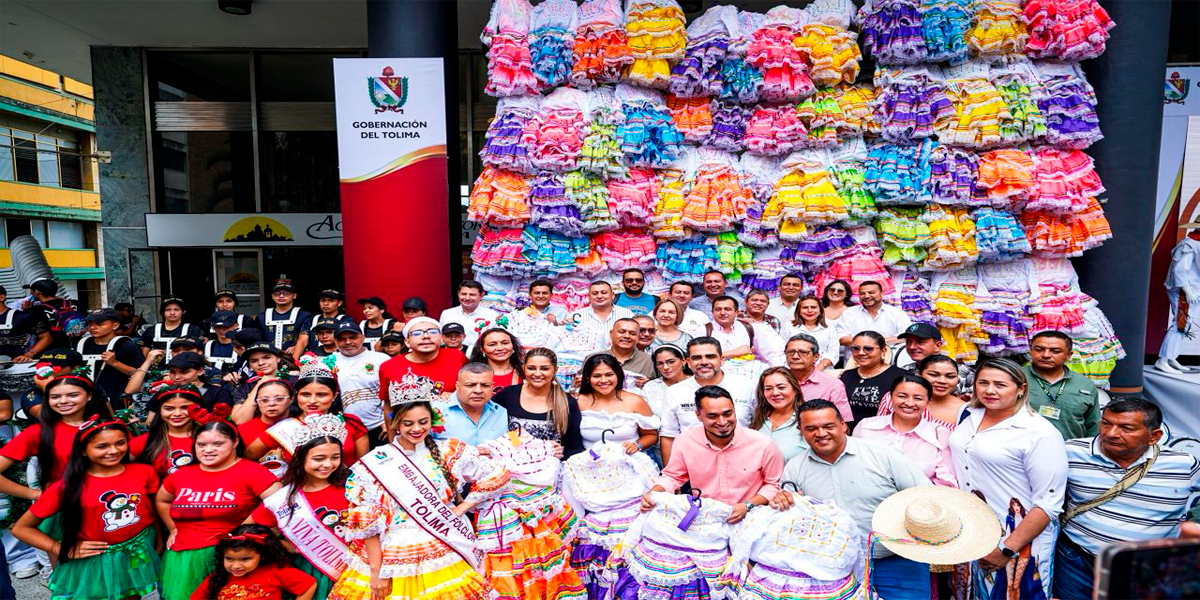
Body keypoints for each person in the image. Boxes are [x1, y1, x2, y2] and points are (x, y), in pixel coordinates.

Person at [326, 380, 509, 600]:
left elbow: (498, 474)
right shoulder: (376, 461)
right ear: (395, 424)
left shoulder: (449, 451)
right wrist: (377, 572)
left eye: (423, 422)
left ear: (433, 420)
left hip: (445, 542)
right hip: (392, 549)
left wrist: (461, 509)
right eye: (408, 423)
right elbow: (367, 522)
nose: (416, 429)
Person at [773, 399, 932, 600]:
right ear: (801, 431)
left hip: (897, 561)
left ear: (843, 425)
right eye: (811, 428)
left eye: (828, 426)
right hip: (833, 569)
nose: (821, 434)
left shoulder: (883, 456)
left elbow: (925, 496)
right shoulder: (795, 468)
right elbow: (791, 514)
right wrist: (783, 501)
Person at [1054, 398, 1200, 600]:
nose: (1111, 433)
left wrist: (1195, 520)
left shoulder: (1183, 464)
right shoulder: (1071, 452)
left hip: (1149, 569)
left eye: (1126, 428)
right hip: (1078, 561)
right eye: (1106, 423)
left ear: (1154, 436)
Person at [949, 358, 1067, 599]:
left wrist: (1006, 548)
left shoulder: (1038, 432)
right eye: (983, 383)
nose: (989, 390)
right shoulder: (968, 414)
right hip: (971, 530)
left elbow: (1048, 503)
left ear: (1021, 388)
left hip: (1017, 534)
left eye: (1000, 385)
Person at [12, 416, 160, 600]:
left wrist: (158, 542)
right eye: (102, 446)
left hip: (136, 553)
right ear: (83, 450)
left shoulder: (144, 472)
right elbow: (21, 528)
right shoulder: (67, 487)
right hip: (93, 563)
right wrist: (59, 547)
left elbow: (151, 512)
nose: (113, 450)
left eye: (120, 443)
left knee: (133, 594)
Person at [156, 417, 280, 600]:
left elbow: (280, 502)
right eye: (201, 444)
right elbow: (162, 500)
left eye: (218, 443)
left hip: (232, 558)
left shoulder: (252, 471)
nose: (208, 450)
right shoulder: (182, 474)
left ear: (235, 442)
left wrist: (245, 529)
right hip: (183, 559)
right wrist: (173, 527)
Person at [643, 386, 782, 522]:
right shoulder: (685, 442)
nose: (722, 422)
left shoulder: (762, 444)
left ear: (734, 410)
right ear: (698, 415)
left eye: (728, 414)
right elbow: (673, 476)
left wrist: (748, 505)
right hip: (705, 518)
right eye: (712, 416)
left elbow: (773, 484)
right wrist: (654, 493)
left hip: (752, 517)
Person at [252, 431, 353, 600]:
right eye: (319, 458)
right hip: (311, 567)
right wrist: (285, 545)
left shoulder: (352, 487)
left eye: (335, 457)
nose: (328, 464)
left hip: (354, 569)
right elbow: (250, 531)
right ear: (301, 458)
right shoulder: (283, 498)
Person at [246, 357, 370, 467]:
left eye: (321, 395)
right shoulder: (284, 428)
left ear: (334, 396)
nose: (312, 401)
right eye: (305, 394)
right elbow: (248, 457)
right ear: (296, 395)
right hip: (300, 491)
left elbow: (363, 467)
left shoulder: (351, 423)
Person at [659, 337, 756, 465]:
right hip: (693, 467)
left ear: (722, 360)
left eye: (710, 356)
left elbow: (759, 425)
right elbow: (668, 436)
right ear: (688, 362)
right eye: (697, 358)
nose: (704, 362)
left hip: (742, 463)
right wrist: (671, 476)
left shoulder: (746, 386)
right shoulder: (675, 392)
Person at [853, 375, 956, 487]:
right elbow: (852, 468)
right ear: (890, 397)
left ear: (928, 402)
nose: (909, 403)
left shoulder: (939, 434)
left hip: (918, 500)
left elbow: (946, 482)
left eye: (918, 398)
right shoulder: (866, 427)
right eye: (902, 396)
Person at [492, 347, 584, 459]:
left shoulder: (567, 402)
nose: (537, 373)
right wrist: (529, 447)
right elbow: (494, 432)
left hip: (551, 470)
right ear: (523, 368)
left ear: (555, 370)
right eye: (531, 368)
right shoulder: (507, 395)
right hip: (512, 467)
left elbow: (574, 447)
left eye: (544, 369)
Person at [191, 524, 317, 600]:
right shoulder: (218, 576)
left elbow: (308, 585)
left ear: (262, 555)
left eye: (245, 559)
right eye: (229, 559)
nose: (235, 565)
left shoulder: (276, 571)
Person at [1024, 330, 1099, 440]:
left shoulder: (1084, 385)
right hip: (1021, 450)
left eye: (1055, 351)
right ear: (1031, 351)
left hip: (1070, 452)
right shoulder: (1015, 378)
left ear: (1069, 355)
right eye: (1039, 350)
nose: (1046, 355)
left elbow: (1094, 426)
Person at [576, 354, 658, 453]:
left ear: (618, 375)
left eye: (609, 375)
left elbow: (651, 435)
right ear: (588, 378)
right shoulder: (578, 401)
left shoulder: (635, 401)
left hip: (628, 461)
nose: (603, 380)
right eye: (597, 376)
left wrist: (637, 445)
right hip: (588, 463)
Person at [379, 317, 468, 399]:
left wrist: (455, 396)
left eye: (433, 332)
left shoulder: (457, 357)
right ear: (407, 342)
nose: (426, 336)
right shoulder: (389, 366)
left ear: (441, 338)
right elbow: (389, 406)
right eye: (417, 333)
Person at [331, 321, 389, 445]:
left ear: (363, 337)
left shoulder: (381, 359)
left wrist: (388, 421)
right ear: (335, 342)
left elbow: (392, 393)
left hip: (378, 427)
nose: (347, 342)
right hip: (344, 429)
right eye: (342, 339)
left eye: (353, 337)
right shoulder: (329, 362)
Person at [877, 355, 970, 431]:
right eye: (933, 375)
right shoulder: (893, 399)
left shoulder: (965, 409)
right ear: (919, 375)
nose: (942, 381)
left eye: (950, 376)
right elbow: (876, 430)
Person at [77, 308, 142, 410]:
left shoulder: (125, 345)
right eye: (90, 324)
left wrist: (114, 363)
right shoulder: (83, 344)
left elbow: (139, 373)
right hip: (86, 400)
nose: (93, 327)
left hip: (116, 399)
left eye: (99, 324)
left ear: (115, 325)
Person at [840, 331, 908, 428]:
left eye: (868, 349)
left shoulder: (901, 377)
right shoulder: (846, 376)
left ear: (883, 351)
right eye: (855, 348)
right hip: (849, 436)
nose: (861, 353)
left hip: (883, 435)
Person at [1157, 222, 1200, 373]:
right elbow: (1180, 270)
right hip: (1185, 289)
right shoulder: (1189, 244)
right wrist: (1187, 290)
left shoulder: (1196, 243)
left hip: (1193, 289)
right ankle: (1163, 360)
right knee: (1181, 324)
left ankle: (1170, 357)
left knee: (1185, 324)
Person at [133, 385, 201, 478]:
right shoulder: (145, 441)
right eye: (169, 408)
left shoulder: (211, 438)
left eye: (185, 408)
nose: (177, 414)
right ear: (160, 410)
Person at [893, 323, 975, 395]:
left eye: (920, 342)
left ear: (937, 346)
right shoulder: (902, 372)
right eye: (908, 342)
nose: (912, 347)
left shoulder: (964, 373)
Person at [784, 333, 851, 421]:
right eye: (791, 352)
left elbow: (843, 424)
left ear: (816, 357)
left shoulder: (833, 385)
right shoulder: (776, 381)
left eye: (803, 352)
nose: (795, 356)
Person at [438, 362, 509, 445]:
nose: (478, 390)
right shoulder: (437, 411)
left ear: (492, 387)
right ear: (457, 386)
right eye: (470, 385)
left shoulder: (500, 413)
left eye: (485, 385)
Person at [234, 379, 294, 475]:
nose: (271, 404)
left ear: (291, 399)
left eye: (279, 399)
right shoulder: (243, 430)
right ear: (257, 402)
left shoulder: (298, 426)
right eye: (264, 400)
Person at [749, 366, 808, 461]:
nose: (775, 393)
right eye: (768, 389)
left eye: (781, 387)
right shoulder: (758, 418)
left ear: (795, 389)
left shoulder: (807, 420)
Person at [707, 296, 786, 366]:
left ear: (736, 312)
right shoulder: (704, 330)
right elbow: (700, 357)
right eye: (718, 309)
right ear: (712, 313)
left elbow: (770, 356)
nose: (723, 313)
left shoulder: (750, 328)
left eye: (727, 309)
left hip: (746, 376)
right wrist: (735, 352)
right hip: (716, 376)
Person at [835, 281, 912, 351]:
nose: (866, 296)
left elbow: (906, 336)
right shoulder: (849, 313)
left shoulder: (897, 313)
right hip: (854, 362)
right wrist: (875, 343)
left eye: (871, 292)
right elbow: (841, 338)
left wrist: (871, 343)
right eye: (862, 293)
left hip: (888, 361)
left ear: (882, 294)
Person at [13, 349, 84, 419]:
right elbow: (48, 418)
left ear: (75, 368)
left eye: (55, 367)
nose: (46, 371)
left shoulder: (85, 388)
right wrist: (47, 388)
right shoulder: (33, 394)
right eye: (42, 367)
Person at [256, 277, 313, 362]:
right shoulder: (261, 317)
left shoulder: (304, 315)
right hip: (267, 359)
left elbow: (304, 339)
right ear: (272, 296)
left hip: (294, 358)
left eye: (286, 293)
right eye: (277, 293)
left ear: (294, 296)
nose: (281, 296)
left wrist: (294, 359)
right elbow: (257, 340)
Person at [567, 281, 635, 351]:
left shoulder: (627, 314)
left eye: (604, 293)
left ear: (612, 295)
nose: (599, 296)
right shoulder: (576, 316)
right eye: (595, 293)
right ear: (589, 297)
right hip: (587, 359)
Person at [585, 318, 655, 383]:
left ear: (638, 337)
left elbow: (662, 387)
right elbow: (579, 388)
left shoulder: (650, 361)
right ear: (611, 334)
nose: (627, 336)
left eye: (632, 333)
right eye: (622, 332)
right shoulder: (592, 358)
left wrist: (650, 384)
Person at [22, 278, 83, 350]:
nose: (31, 293)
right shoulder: (76, 304)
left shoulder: (34, 310)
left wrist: (26, 311)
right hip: (78, 346)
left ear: (37, 292)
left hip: (50, 350)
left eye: (32, 290)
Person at [438, 280, 500, 349]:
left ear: (482, 295)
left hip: (479, 356)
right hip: (453, 355)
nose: (467, 298)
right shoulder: (447, 314)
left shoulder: (491, 315)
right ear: (458, 293)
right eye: (464, 294)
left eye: (472, 295)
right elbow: (442, 339)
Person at [640, 344, 689, 427]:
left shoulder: (695, 383)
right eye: (660, 363)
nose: (665, 367)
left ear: (683, 361)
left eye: (671, 362)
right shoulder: (650, 387)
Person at [783, 295, 838, 370]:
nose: (809, 310)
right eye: (805, 307)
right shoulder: (789, 326)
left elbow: (833, 353)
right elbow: (782, 351)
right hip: (794, 369)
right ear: (799, 311)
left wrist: (819, 368)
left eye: (813, 307)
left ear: (820, 310)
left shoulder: (829, 328)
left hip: (823, 370)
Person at [0, 285, 50, 363]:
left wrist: (28, 355)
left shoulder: (23, 317)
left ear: (2, 297)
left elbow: (46, 338)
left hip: (17, 366)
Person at [166, 352, 233, 409]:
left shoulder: (218, 393)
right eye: (172, 372)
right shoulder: (165, 392)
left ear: (200, 371)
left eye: (184, 372)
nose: (176, 377)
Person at [469, 327, 524, 392]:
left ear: (513, 346)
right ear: (482, 350)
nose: (500, 348)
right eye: (492, 344)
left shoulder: (526, 372)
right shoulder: (471, 374)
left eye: (505, 343)